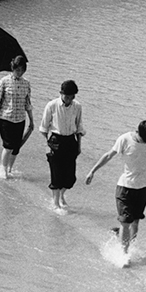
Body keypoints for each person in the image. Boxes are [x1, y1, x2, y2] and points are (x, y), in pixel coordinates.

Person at [84, 119, 146, 255]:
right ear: (137, 132)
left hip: (142, 188)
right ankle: (124, 254)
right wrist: (92, 171)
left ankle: (125, 244)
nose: (145, 143)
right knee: (126, 222)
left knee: (135, 222)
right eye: (143, 140)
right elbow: (108, 155)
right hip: (125, 187)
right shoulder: (124, 139)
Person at [39, 79, 85, 212]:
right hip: (55, 140)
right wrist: (47, 145)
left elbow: (79, 126)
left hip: (71, 140)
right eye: (65, 96)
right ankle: (56, 203)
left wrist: (79, 146)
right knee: (56, 174)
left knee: (70, 177)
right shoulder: (52, 105)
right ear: (61, 93)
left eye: (70, 97)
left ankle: (61, 195)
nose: (67, 99)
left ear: (74, 96)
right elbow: (43, 128)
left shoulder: (77, 106)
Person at [0, 55, 35, 178]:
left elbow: (28, 103)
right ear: (12, 68)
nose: (19, 72)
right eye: (17, 70)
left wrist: (31, 120)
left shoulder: (26, 83)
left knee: (16, 148)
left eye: (22, 70)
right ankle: (3, 171)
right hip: (6, 118)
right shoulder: (4, 81)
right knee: (8, 145)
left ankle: (10, 169)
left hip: (20, 119)